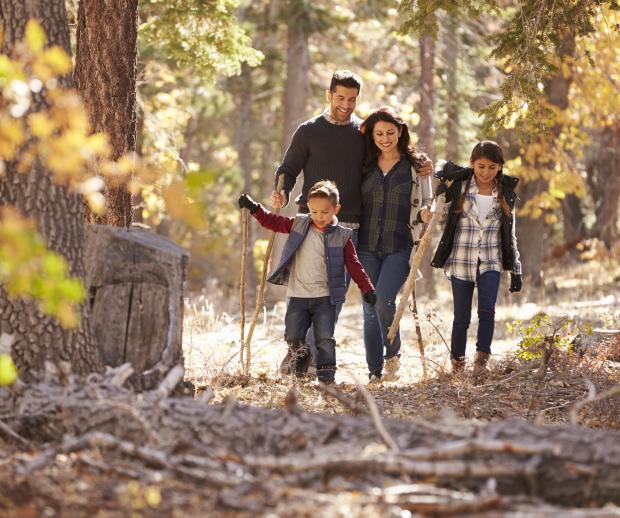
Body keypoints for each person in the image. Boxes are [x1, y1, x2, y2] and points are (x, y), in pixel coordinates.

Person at [271, 70, 432, 374]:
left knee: (335, 296)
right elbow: (288, 169)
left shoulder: (362, 133)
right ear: (329, 95)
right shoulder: (308, 130)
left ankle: (309, 355)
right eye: (340, 97)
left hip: (350, 229)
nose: (346, 104)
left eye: (352, 99)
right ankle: (298, 353)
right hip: (312, 223)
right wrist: (281, 190)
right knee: (308, 292)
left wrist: (422, 163)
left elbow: (392, 154)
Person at [238, 180, 377, 384]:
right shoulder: (300, 224)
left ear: (336, 209)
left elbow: (353, 264)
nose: (319, 217)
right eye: (314, 212)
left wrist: (367, 288)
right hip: (297, 295)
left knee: (324, 339)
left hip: (325, 298)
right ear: (308, 209)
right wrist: (254, 208)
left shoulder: (342, 236)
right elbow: (273, 222)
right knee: (293, 336)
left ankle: (327, 378)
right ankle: (301, 358)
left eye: (325, 212)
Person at [430, 140, 523, 376]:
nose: (485, 172)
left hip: (490, 260)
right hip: (461, 259)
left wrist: (516, 268)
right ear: (472, 164)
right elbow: (442, 220)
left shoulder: (505, 193)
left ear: (500, 167)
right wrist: (439, 201)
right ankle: (458, 362)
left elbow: (510, 233)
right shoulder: (460, 187)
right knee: (461, 315)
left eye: (492, 167)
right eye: (481, 166)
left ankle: (482, 359)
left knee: (487, 310)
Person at [357, 107, 433, 383]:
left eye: (390, 132)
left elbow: (428, 200)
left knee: (384, 299)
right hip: (365, 246)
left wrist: (427, 212)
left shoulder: (416, 166)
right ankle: (374, 371)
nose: (385, 138)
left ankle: (392, 354)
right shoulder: (363, 163)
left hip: (400, 246)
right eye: (379, 133)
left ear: (400, 132)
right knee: (369, 307)